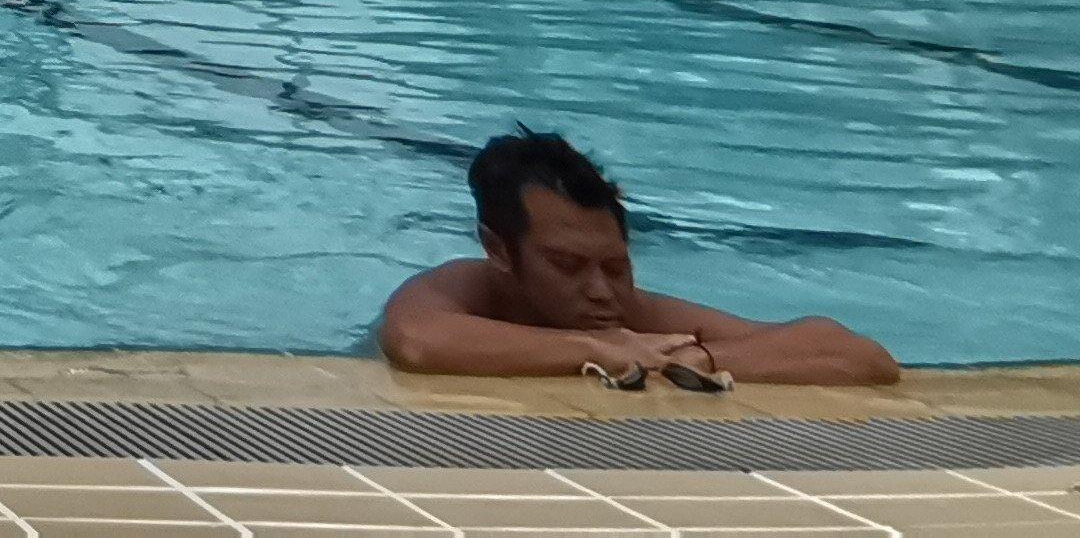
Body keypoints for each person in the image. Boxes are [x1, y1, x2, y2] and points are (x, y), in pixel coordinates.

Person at [379, 133, 899, 387]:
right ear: (498, 250)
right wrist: (599, 349)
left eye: (615, 265)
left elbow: (862, 357)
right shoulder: (462, 290)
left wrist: (706, 361)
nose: (602, 290)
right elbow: (418, 342)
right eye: (566, 266)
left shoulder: (636, 318)